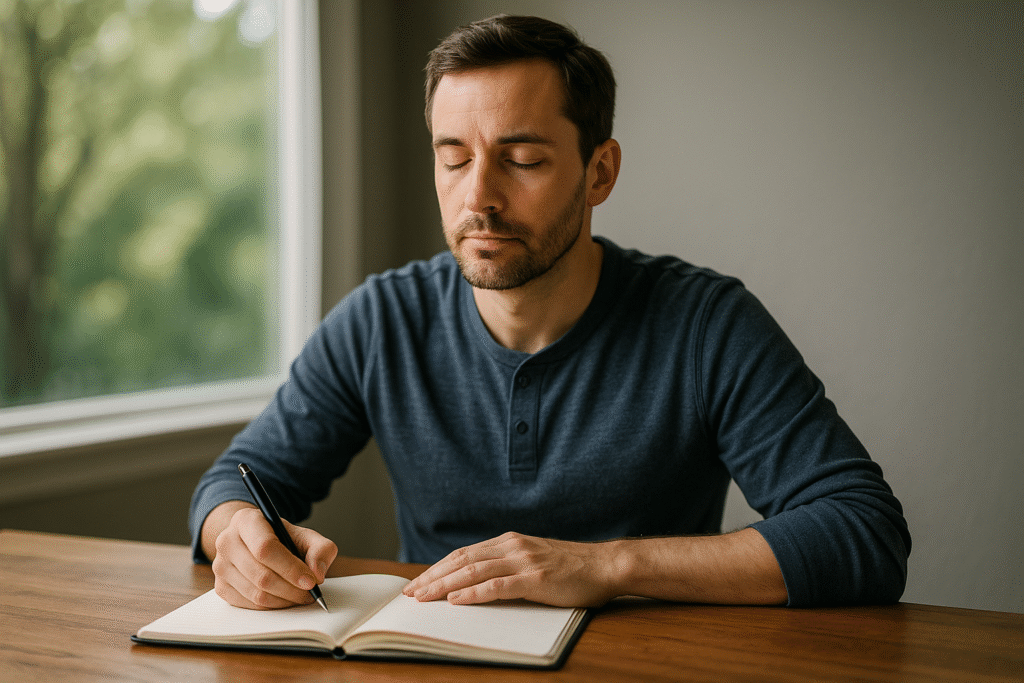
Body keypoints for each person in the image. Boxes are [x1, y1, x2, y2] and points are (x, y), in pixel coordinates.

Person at [190, 14, 910, 611]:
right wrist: (237, 536)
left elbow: (862, 530)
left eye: (523, 159)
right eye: (453, 157)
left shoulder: (704, 323)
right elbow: (233, 482)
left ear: (599, 171)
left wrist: (608, 566)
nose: (479, 197)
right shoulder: (381, 319)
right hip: (434, 656)